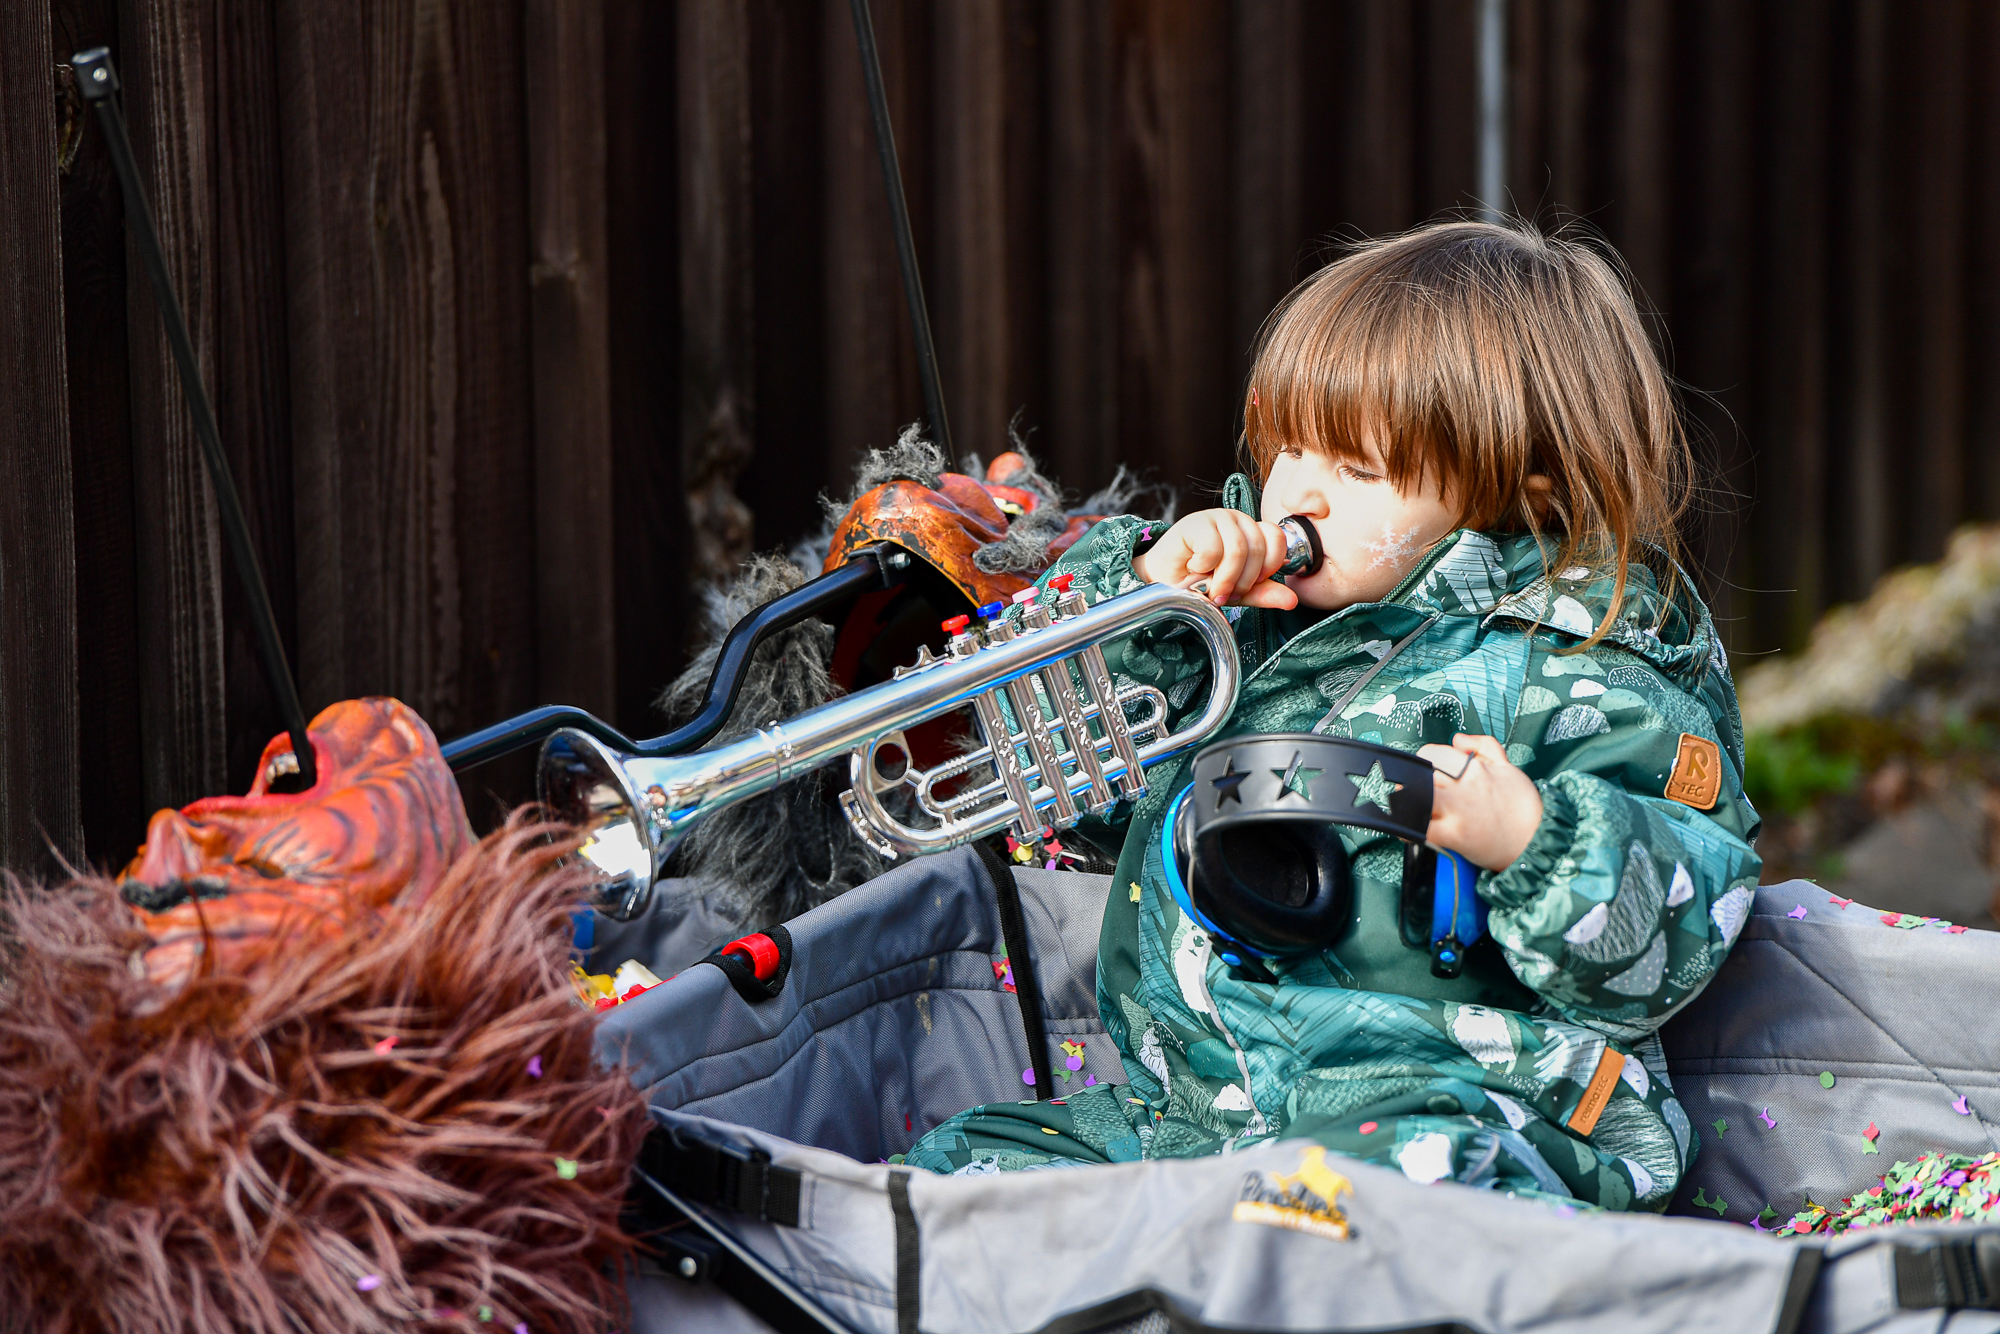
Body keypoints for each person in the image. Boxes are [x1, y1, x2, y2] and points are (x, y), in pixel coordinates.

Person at [902, 220, 1762, 1210]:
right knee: (957, 1169)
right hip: (1200, 1115)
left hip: (1465, 1109)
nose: (1300, 494)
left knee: (1372, 1182)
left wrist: (1534, 840)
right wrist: (1145, 608)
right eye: (1289, 449)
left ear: (1522, 491)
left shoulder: (1585, 674)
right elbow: (1077, 797)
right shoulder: (1240, 631)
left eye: (1357, 470)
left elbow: (1670, 940)